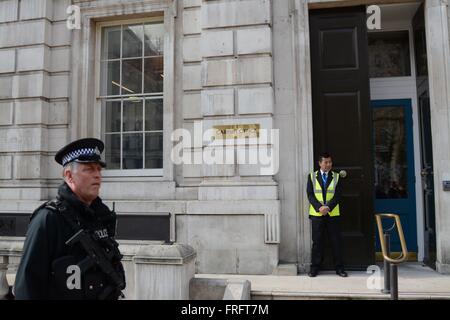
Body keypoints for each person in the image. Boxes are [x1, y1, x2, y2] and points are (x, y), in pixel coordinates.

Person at [14, 138, 126, 299]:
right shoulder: (48, 219)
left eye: (98, 170)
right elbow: (27, 286)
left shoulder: (101, 216)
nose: (97, 175)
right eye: (89, 169)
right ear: (69, 175)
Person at [307, 152, 347, 277]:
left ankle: (339, 268)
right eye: (326, 162)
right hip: (317, 214)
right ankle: (314, 268)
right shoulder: (312, 176)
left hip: (333, 214)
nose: (328, 164)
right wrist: (320, 207)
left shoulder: (336, 177)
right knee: (317, 242)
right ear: (320, 163)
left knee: (336, 242)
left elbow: (338, 195)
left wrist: (328, 207)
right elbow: (310, 194)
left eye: (330, 162)